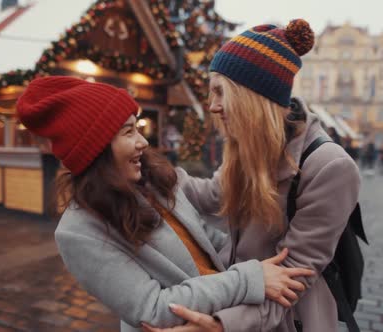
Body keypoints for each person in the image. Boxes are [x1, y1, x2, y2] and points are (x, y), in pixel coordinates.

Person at [15, 76, 314, 331]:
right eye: (128, 132)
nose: (143, 142)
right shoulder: (78, 232)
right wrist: (250, 278)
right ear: (96, 150)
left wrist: (268, 253)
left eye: (138, 128)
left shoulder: (151, 184)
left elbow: (207, 243)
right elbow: (153, 308)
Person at [147, 19, 361, 332]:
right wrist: (149, 169)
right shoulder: (248, 146)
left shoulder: (330, 167)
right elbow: (210, 196)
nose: (213, 106)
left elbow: (293, 277)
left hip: (285, 320)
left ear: (251, 95)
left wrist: (220, 325)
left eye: (220, 92)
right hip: (240, 298)